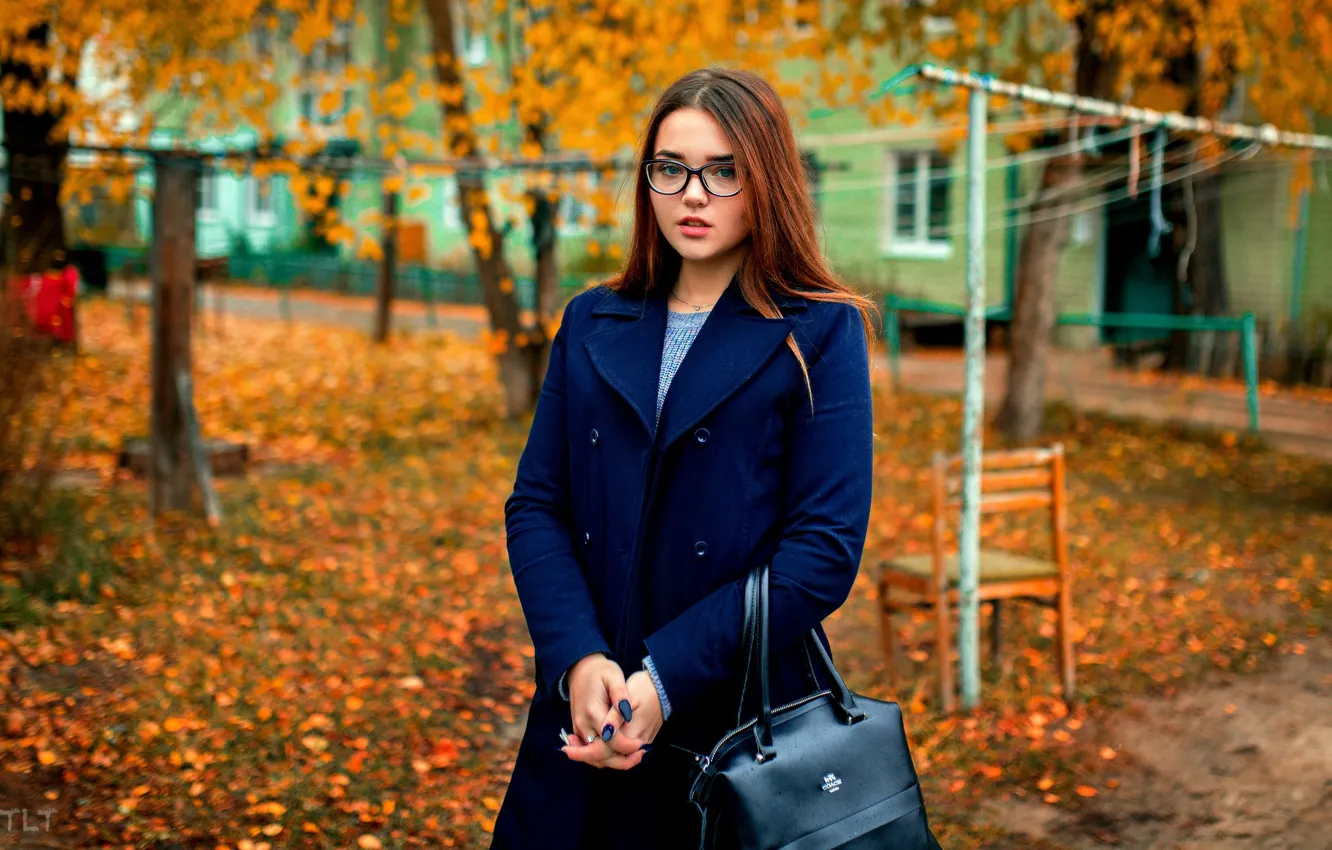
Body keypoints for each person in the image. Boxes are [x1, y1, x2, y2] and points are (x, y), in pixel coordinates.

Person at [491, 66, 878, 850]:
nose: (693, 193)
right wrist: (576, 660)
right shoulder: (594, 319)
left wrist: (663, 678)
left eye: (723, 170)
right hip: (584, 716)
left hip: (734, 724)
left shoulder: (820, 332)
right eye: (671, 168)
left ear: (764, 177)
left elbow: (823, 551)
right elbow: (537, 504)